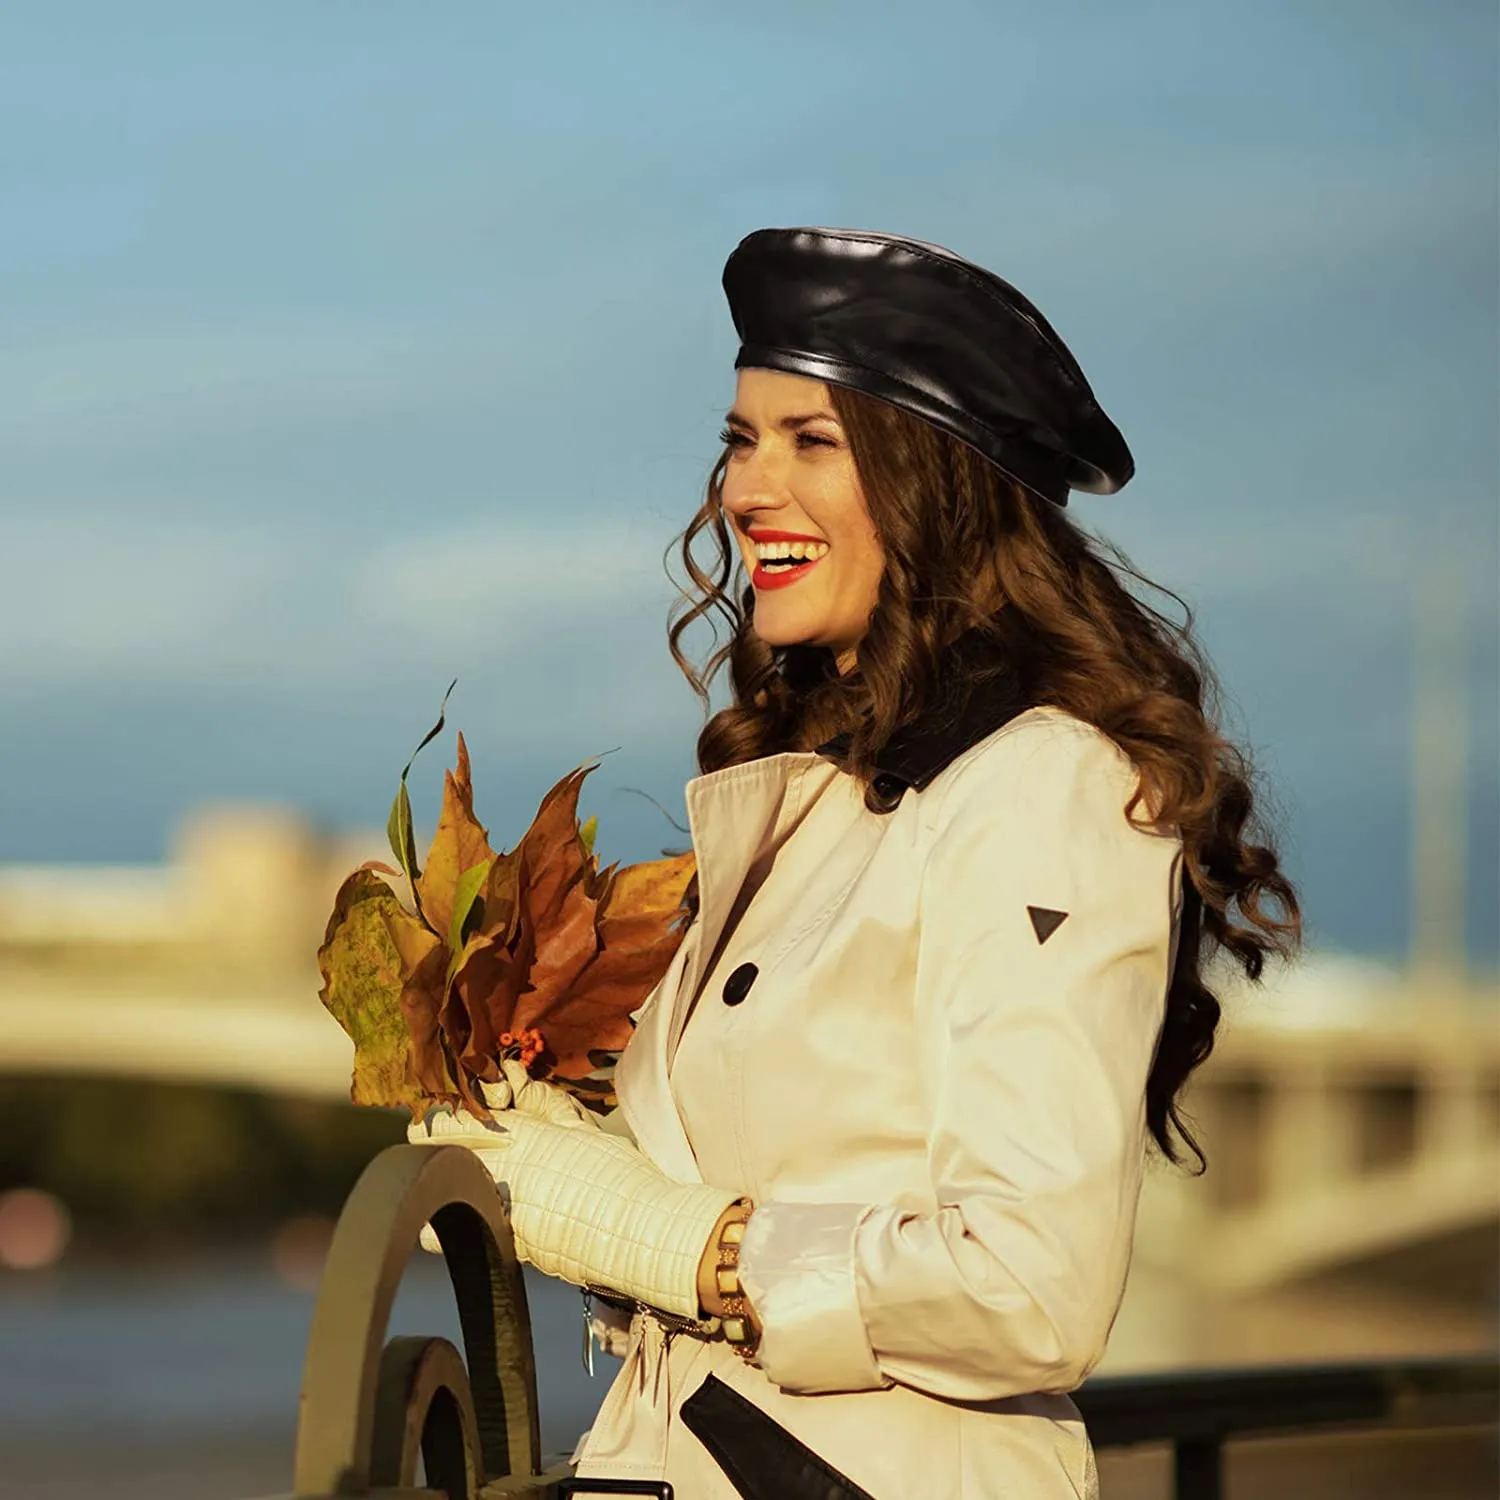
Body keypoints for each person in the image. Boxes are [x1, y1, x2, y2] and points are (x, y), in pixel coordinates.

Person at [411, 226, 1301, 1499]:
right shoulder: (818, 798)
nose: (743, 490)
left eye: (810, 441)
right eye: (739, 439)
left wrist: (695, 1251)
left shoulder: (1045, 784)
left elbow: (1031, 1282)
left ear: (941, 482)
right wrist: (566, 1134)